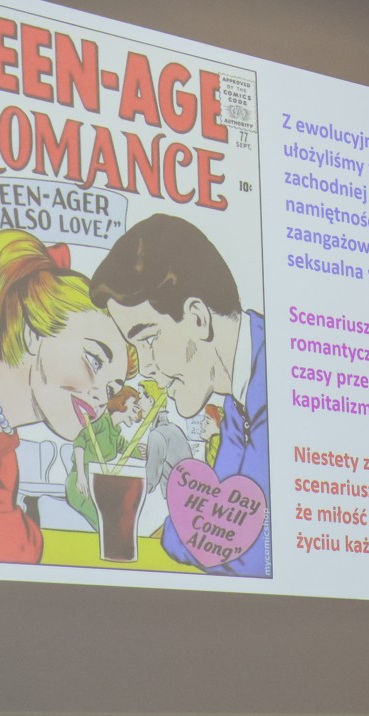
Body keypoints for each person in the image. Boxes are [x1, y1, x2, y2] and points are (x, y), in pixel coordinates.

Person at [90, 214, 270, 577]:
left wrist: (186, 532)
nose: (146, 368)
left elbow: (245, 554)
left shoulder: (273, 379)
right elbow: (211, 527)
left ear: (198, 318)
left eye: (148, 339)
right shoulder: (237, 404)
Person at [0, 229, 131, 563]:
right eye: (94, 361)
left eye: (110, 389)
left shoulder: (3, 452)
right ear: (33, 333)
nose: (100, 399)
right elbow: (9, 550)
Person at [65, 385, 142, 529]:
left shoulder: (115, 433)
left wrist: (146, 453)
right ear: (122, 403)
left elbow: (130, 449)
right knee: (106, 523)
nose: (136, 414)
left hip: (98, 485)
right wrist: (81, 475)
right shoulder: (101, 421)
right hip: (81, 484)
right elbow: (79, 441)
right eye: (134, 408)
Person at [139, 379, 195, 498]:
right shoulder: (174, 429)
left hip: (178, 499)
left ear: (151, 400)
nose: (138, 403)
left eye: (140, 398)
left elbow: (150, 482)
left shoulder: (157, 435)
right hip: (189, 496)